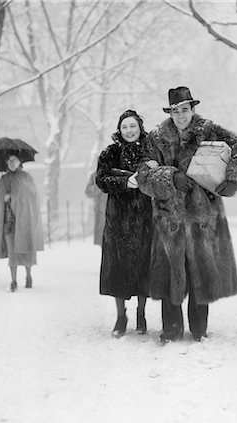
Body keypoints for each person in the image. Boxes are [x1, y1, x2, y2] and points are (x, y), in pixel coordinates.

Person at [137, 86, 237, 343]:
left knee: (200, 272)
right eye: (175, 111)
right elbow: (144, 176)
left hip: (204, 216)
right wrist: (170, 176)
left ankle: (199, 328)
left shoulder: (210, 131)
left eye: (184, 109)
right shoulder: (156, 138)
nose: (180, 115)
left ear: (193, 109)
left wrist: (235, 179)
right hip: (168, 217)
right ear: (170, 112)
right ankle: (171, 328)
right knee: (171, 272)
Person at [96, 109, 153, 338]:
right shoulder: (110, 152)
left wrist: (150, 171)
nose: (129, 131)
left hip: (145, 218)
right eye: (125, 127)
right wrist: (124, 182)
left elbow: (160, 175)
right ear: (119, 130)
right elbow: (101, 179)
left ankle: (141, 312)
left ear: (140, 128)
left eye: (133, 126)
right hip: (118, 220)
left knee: (143, 267)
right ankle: (121, 316)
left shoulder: (150, 150)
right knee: (118, 268)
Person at [0, 153, 44, 292]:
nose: (11, 162)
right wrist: (3, 198)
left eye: (14, 160)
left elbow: (32, 198)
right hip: (9, 221)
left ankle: (28, 277)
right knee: (12, 251)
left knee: (26, 248)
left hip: (24, 221)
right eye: (9, 160)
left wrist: (14, 196)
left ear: (19, 161)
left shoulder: (27, 178)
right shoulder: (3, 179)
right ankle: (13, 281)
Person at [85, 170, 107, 247]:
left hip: (115, 215)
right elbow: (88, 192)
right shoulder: (94, 176)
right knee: (103, 243)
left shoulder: (117, 174)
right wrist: (98, 186)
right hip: (101, 215)